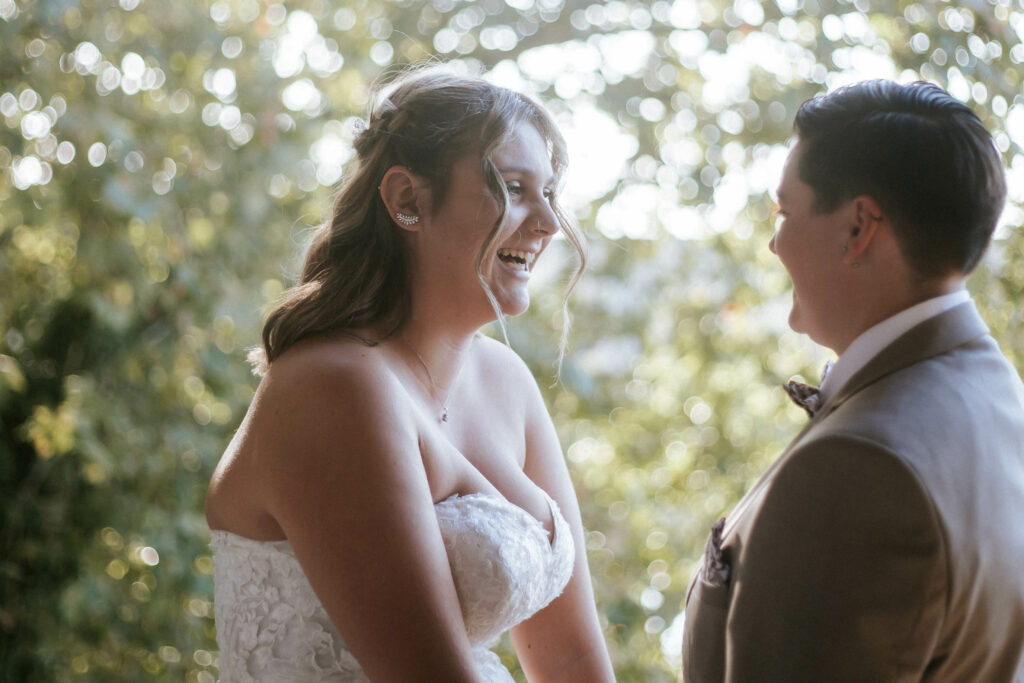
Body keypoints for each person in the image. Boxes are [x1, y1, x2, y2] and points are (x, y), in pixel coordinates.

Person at [205, 68, 616, 682]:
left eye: (548, 192)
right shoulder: (332, 387)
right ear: (407, 201)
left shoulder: (507, 382)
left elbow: (573, 659)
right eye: (514, 188)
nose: (549, 223)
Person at [681, 80, 1024, 682]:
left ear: (859, 226)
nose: (773, 240)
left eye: (785, 211)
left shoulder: (857, 466)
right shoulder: (997, 397)